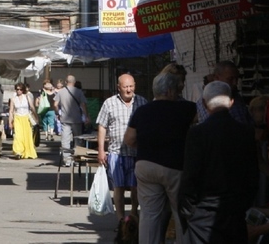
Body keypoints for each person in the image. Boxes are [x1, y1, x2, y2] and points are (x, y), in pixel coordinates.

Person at [178, 81, 257, 244]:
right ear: (231, 102)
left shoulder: (197, 134)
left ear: (205, 103)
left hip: (203, 215)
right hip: (234, 212)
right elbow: (252, 176)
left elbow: (190, 176)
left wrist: (188, 211)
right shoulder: (245, 133)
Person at [124, 71, 195, 244]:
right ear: (171, 91)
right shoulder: (188, 109)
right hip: (175, 166)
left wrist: (148, 146)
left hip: (146, 165)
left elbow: (129, 139)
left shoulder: (141, 111)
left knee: (149, 214)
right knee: (180, 213)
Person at [96, 73, 147, 225]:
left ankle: (133, 216)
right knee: (118, 187)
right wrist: (101, 150)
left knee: (135, 187)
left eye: (131, 86)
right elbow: (102, 126)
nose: (129, 90)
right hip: (116, 152)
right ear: (119, 87)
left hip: (136, 153)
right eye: (125, 87)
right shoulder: (109, 103)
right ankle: (120, 219)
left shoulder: (142, 102)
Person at [196, 61, 251, 125]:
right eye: (230, 79)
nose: (235, 83)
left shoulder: (237, 97)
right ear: (216, 78)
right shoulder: (208, 99)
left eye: (237, 79)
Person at [53, 74, 89, 166]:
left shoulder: (61, 92)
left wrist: (58, 113)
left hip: (65, 119)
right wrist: (86, 116)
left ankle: (67, 160)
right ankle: (77, 159)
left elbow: (55, 104)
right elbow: (83, 105)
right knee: (78, 139)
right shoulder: (79, 92)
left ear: (66, 82)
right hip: (76, 119)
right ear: (75, 82)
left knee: (65, 140)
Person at [8, 82, 39, 159]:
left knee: (27, 135)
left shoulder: (27, 97)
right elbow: (11, 111)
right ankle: (18, 152)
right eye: (17, 89)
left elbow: (32, 107)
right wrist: (10, 122)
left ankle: (27, 152)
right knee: (18, 136)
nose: (19, 91)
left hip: (26, 118)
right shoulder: (13, 99)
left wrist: (36, 117)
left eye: (20, 89)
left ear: (23, 90)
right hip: (17, 118)